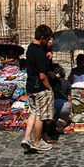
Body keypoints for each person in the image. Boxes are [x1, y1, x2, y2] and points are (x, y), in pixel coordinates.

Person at [21, 24, 56, 154]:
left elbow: (36, 67)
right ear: (42, 38)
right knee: (40, 116)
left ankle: (26, 138)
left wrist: (46, 60)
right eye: (47, 40)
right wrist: (49, 89)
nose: (48, 42)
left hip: (30, 86)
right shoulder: (40, 52)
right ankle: (37, 142)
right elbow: (42, 76)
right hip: (39, 88)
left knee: (33, 113)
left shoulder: (30, 48)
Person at [50, 64, 72, 130]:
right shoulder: (67, 83)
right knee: (66, 120)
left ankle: (54, 123)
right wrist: (71, 111)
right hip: (64, 104)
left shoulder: (49, 82)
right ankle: (62, 122)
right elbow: (69, 98)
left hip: (53, 104)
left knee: (50, 119)